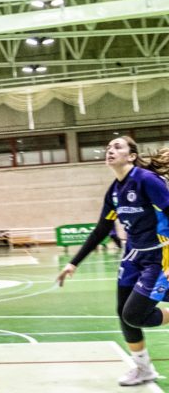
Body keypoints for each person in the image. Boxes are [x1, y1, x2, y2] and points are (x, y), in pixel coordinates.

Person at [56, 136, 169, 387]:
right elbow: (101, 230)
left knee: (135, 314)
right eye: (107, 147)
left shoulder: (146, 180)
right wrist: (73, 262)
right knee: (123, 313)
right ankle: (143, 369)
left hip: (159, 253)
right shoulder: (115, 190)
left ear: (131, 156)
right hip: (132, 256)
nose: (110, 150)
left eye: (117, 147)